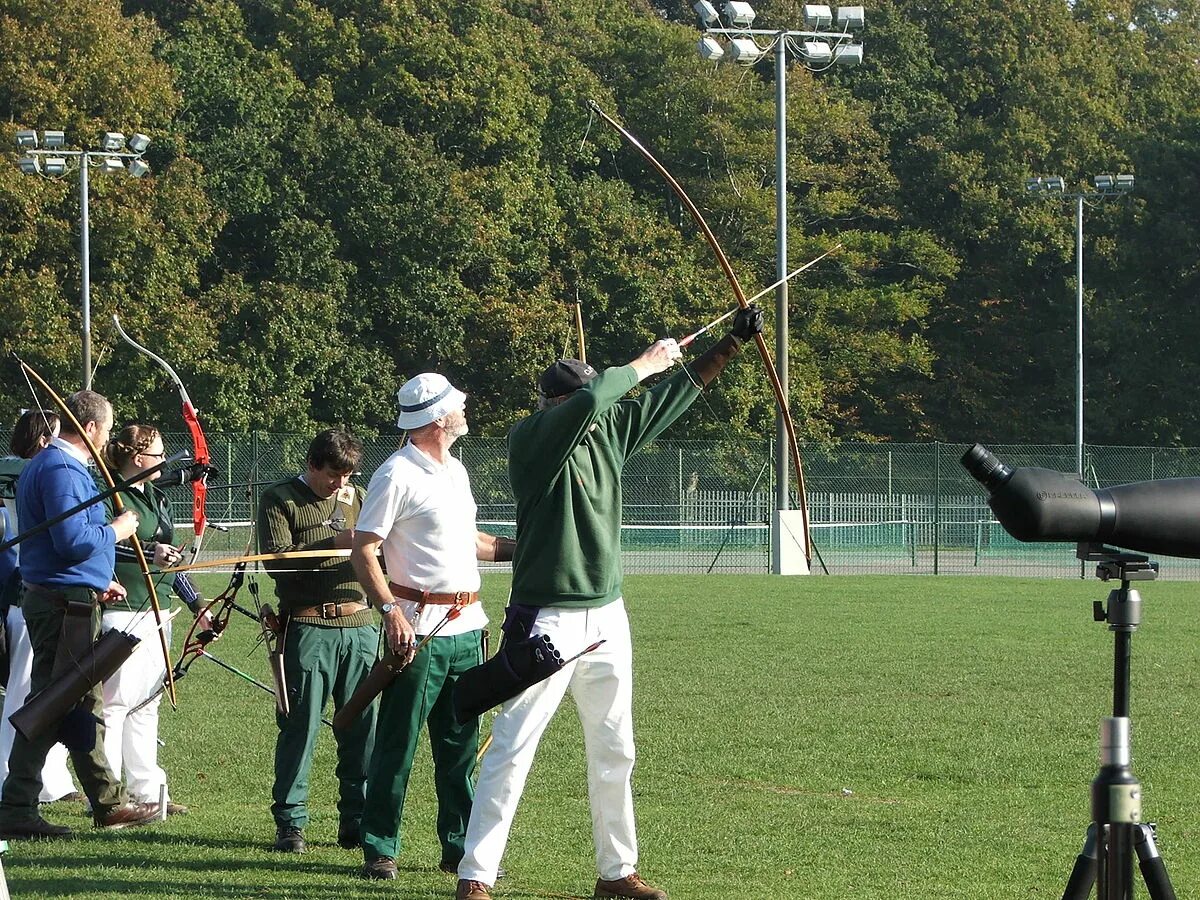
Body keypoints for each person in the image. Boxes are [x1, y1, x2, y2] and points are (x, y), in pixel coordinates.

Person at [455, 307, 764, 900]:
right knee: (514, 746)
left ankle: (616, 872)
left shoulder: (607, 430)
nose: (586, 411)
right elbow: (596, 400)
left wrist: (730, 344)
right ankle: (476, 876)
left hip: (607, 612)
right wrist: (642, 363)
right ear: (551, 404)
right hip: (545, 613)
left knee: (615, 746)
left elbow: (683, 391)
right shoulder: (531, 439)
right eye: (574, 402)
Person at [351, 374, 514, 882]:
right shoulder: (396, 473)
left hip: (468, 628)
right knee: (398, 745)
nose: (465, 410)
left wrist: (528, 547)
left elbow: (473, 543)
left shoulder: (457, 471)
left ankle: (459, 850)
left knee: (460, 746)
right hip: (417, 631)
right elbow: (363, 548)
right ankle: (380, 847)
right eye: (456, 406)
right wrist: (390, 612)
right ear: (438, 418)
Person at [0, 391, 163, 838]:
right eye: (107, 430)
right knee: (54, 703)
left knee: (71, 701)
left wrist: (96, 579)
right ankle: (18, 806)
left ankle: (105, 802)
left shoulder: (55, 466)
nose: (107, 438)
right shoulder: (61, 468)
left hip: (68, 596)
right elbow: (73, 540)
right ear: (90, 428)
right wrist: (119, 529)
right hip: (61, 605)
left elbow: (63, 542)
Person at [258, 428, 378, 854]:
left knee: (363, 728)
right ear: (312, 465)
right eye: (332, 475)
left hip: (361, 625)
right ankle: (291, 823)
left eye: (347, 475)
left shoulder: (360, 496)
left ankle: (358, 820)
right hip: (309, 627)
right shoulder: (280, 498)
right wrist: (336, 542)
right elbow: (278, 563)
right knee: (300, 727)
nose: (340, 484)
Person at [100, 424, 196, 817]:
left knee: (147, 701)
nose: (164, 460)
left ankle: (148, 789)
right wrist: (150, 555)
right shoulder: (111, 495)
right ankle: (108, 792)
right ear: (137, 459)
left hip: (160, 607)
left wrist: (197, 603)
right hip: (125, 608)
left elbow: (162, 552)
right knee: (117, 701)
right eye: (158, 454)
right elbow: (102, 545)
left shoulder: (155, 496)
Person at [0, 410, 80, 804]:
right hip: (27, 591)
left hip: (31, 588)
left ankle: (51, 777)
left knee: (46, 690)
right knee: (26, 690)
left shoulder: (32, 472)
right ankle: (10, 775)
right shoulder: (36, 472)